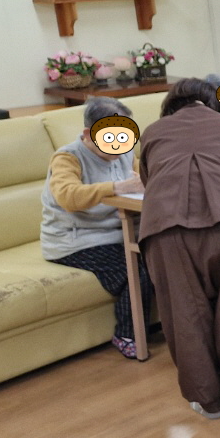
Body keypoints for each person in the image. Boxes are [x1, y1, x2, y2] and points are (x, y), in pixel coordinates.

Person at [139, 78, 220, 419]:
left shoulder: (152, 132)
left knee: (183, 311)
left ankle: (208, 401)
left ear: (170, 105)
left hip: (166, 229)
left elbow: (148, 180)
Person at [40, 97, 153, 359]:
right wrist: (117, 187)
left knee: (167, 255)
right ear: (88, 134)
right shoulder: (67, 157)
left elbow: (143, 179)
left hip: (119, 232)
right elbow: (68, 196)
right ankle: (127, 334)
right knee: (135, 270)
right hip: (75, 240)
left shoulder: (125, 153)